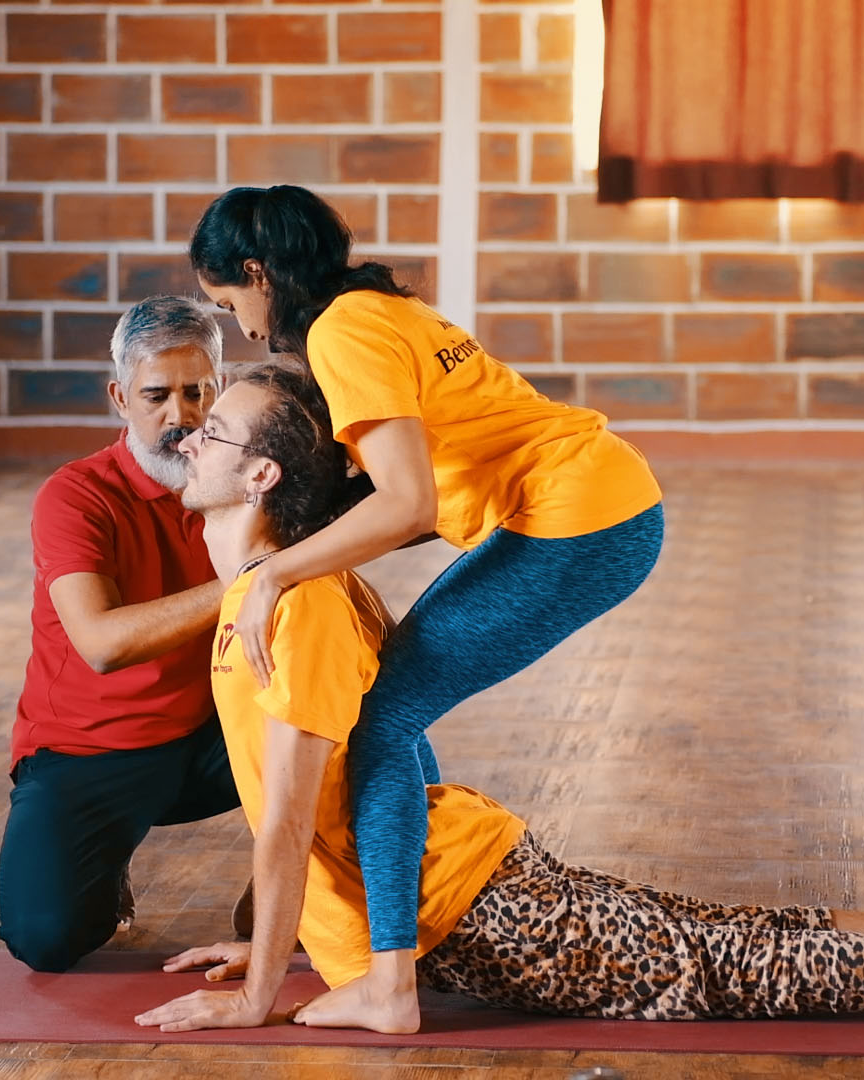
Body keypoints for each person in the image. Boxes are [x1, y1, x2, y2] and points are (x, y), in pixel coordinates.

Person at [132, 367, 864, 1034]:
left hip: (475, 907)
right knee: (739, 939)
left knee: (736, 965)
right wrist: (293, 942)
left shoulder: (296, 608)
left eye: (212, 429)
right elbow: (366, 770)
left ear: (262, 477)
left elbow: (289, 822)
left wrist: (262, 994)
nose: (187, 434)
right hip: (466, 891)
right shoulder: (265, 598)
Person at [190, 184, 667, 1026]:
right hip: (596, 499)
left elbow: (408, 505)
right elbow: (403, 495)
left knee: (383, 722)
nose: (245, 329)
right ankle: (405, 938)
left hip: (579, 520)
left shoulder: (341, 333)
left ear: (258, 273)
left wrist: (270, 575)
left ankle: (391, 981)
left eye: (229, 304)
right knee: (394, 707)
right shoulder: (375, 308)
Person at [0, 296, 248, 973]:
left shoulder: (245, 481)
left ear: (220, 389)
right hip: (91, 748)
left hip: (210, 735)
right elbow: (102, 644)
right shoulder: (75, 495)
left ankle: (283, 906)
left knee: (356, 723)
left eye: (196, 393)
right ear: (120, 398)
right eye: (156, 396)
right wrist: (249, 580)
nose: (179, 416)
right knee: (44, 939)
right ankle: (105, 865)